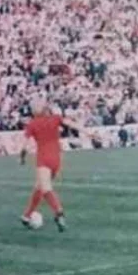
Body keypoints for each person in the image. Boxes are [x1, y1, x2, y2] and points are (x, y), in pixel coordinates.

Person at [19, 99, 95, 232]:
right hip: (56, 158)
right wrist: (89, 133)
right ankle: (26, 215)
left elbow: (24, 146)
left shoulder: (32, 124)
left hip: (43, 157)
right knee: (39, 187)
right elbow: (72, 125)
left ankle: (58, 211)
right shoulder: (55, 118)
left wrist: (22, 158)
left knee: (46, 188)